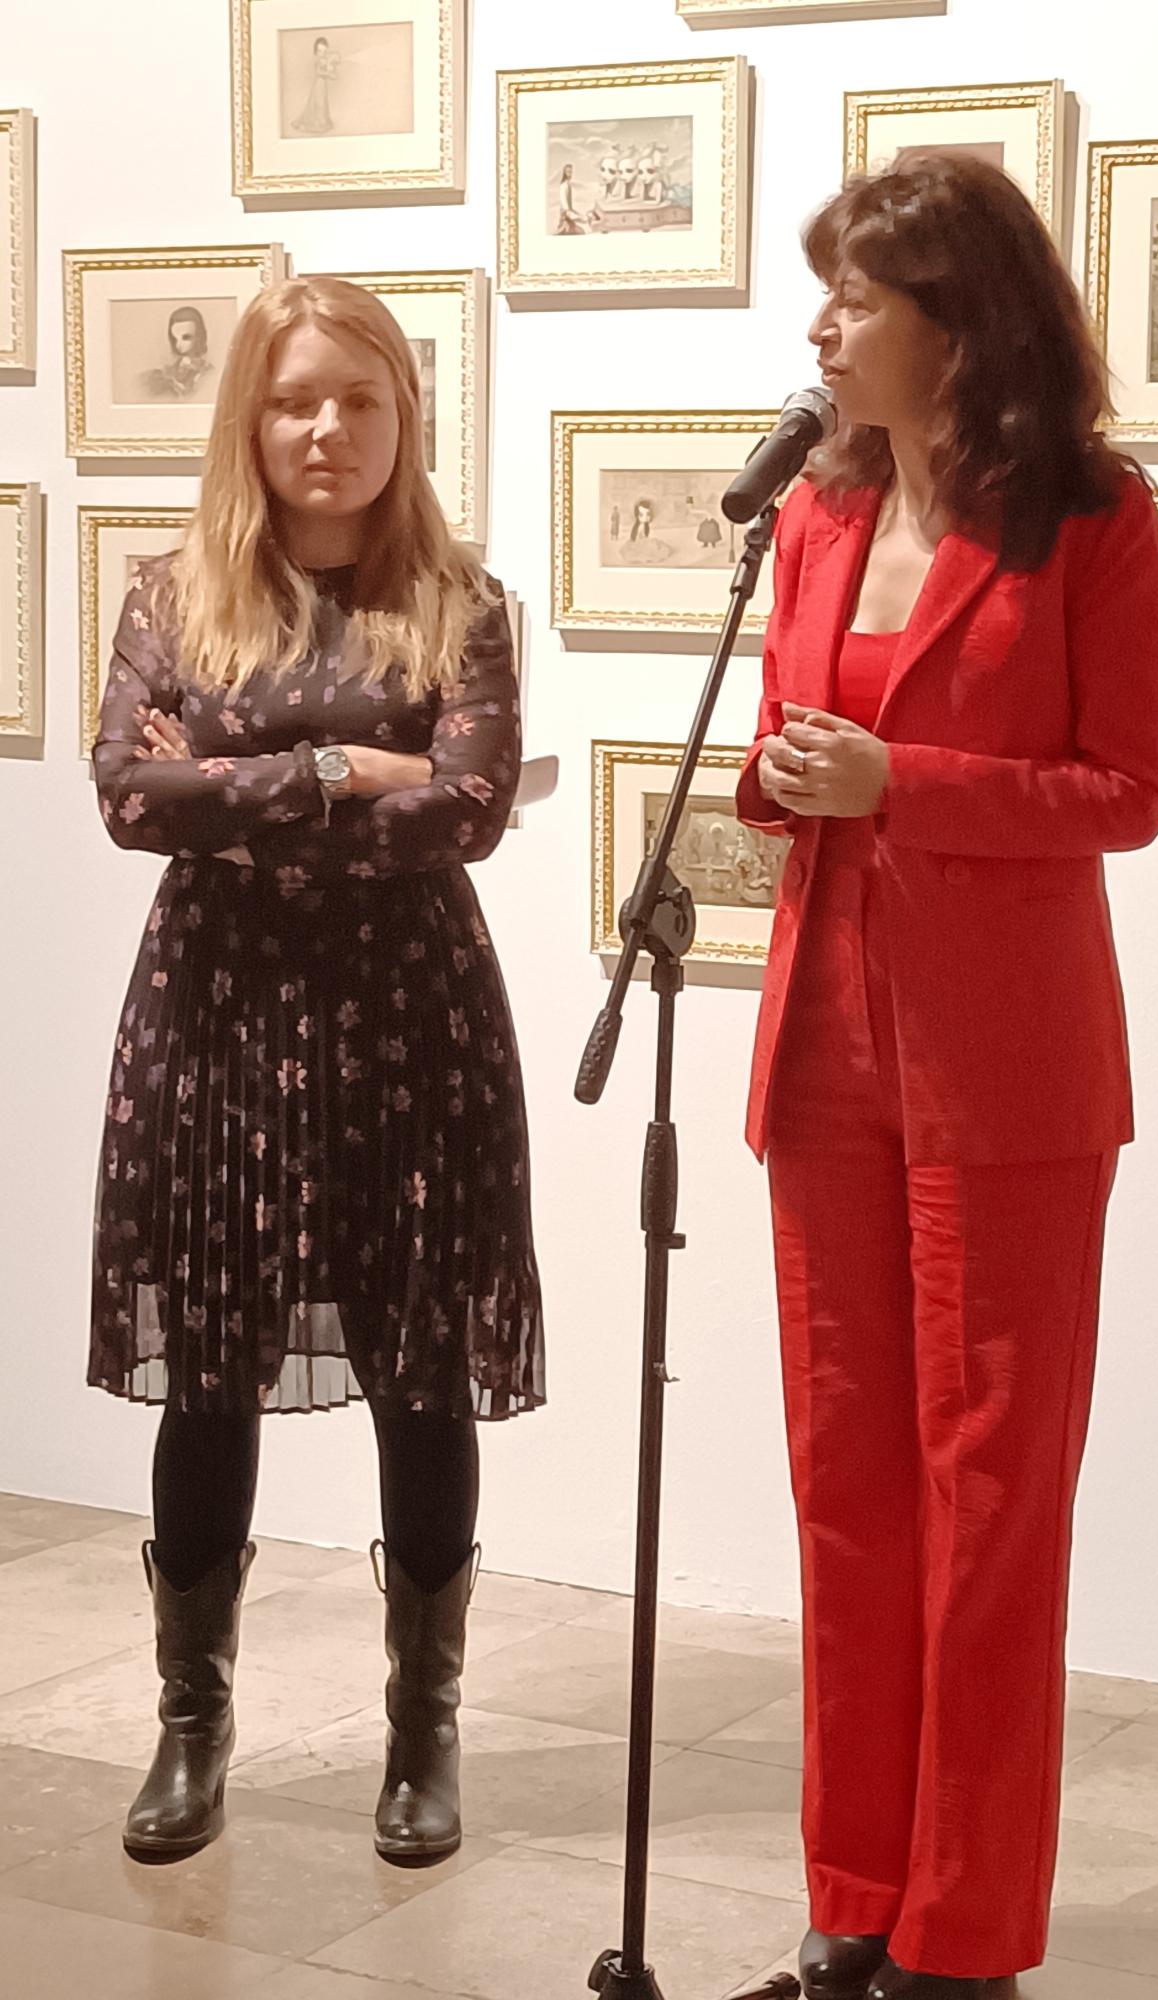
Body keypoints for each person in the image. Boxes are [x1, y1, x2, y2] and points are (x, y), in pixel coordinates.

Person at [736, 155, 1158, 2000]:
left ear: (957, 320)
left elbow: (1126, 791)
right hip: (825, 1053)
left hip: (1009, 1078)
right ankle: (854, 1899)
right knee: (846, 1490)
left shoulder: (1093, 514)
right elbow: (789, 741)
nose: (823, 328)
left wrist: (901, 783)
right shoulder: (822, 510)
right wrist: (785, 773)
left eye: (855, 298)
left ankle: (965, 1935)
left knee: (988, 1508)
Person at [89, 276, 543, 1868]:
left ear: (404, 416)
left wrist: (234, 782)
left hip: (412, 1024)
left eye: (359, 399)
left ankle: (424, 1734)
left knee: (421, 1372)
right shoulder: (173, 596)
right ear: (250, 421)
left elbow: (469, 812)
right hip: (217, 1020)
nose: (327, 430)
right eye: (295, 401)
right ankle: (190, 1728)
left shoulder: (461, 604)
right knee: (210, 1369)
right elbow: (128, 799)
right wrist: (351, 765)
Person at [142, 305, 214, 403]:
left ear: (199, 336)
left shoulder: (210, 374)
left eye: (186, 338)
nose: (178, 345)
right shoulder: (168, 371)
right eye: (175, 338)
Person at [291, 35, 339, 136]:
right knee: (318, 102)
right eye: (319, 51)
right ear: (316, 51)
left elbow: (330, 71)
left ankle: (322, 121)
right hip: (318, 84)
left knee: (323, 101)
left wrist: (331, 69)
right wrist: (328, 73)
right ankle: (318, 123)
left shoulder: (325, 60)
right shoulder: (317, 60)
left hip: (323, 85)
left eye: (324, 51)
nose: (322, 53)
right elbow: (318, 72)